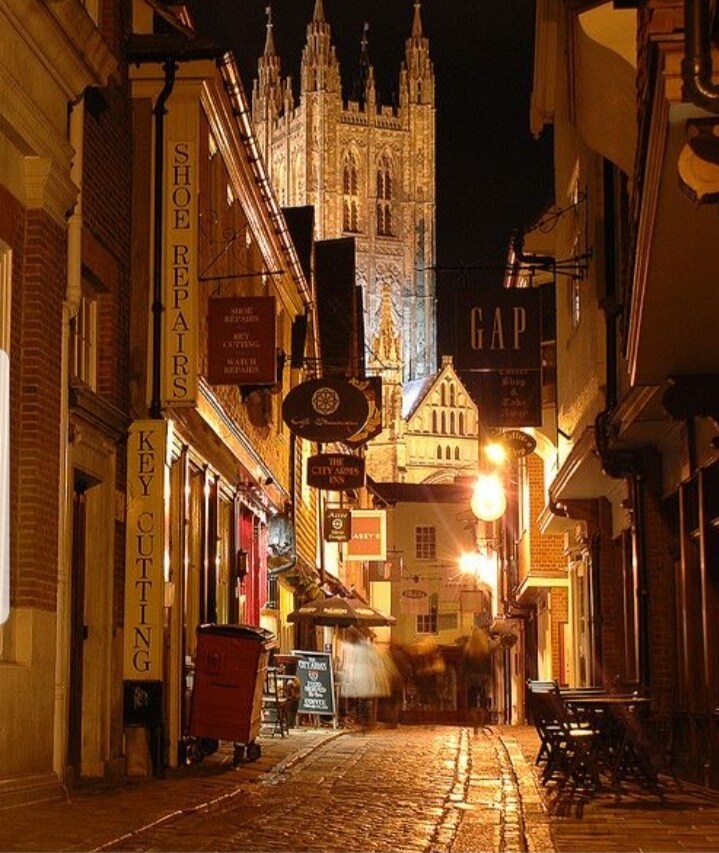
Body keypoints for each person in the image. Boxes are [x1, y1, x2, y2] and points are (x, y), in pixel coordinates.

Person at [338, 633, 391, 730]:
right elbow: (377, 663)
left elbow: (349, 664)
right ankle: (365, 721)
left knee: (361, 700)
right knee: (364, 701)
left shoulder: (352, 650)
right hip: (366, 679)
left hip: (357, 679)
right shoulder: (369, 649)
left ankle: (363, 721)